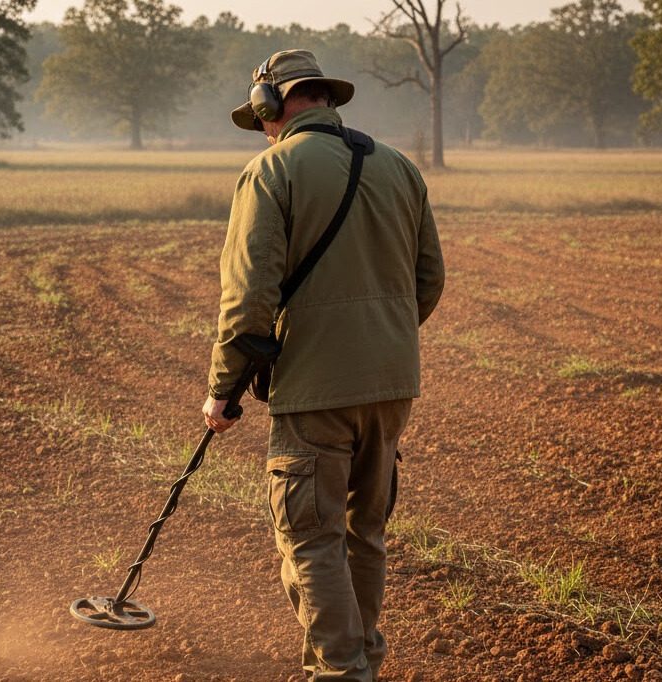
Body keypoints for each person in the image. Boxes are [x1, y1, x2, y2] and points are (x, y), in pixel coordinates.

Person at [201, 50, 445, 681]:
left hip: (315, 394)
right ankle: (365, 660)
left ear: (271, 104)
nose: (261, 128)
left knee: (311, 540)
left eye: (259, 116)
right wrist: (377, 338)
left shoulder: (270, 171)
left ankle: (342, 673)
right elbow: (428, 281)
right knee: (365, 534)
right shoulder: (399, 167)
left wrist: (223, 391)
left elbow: (249, 299)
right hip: (393, 387)